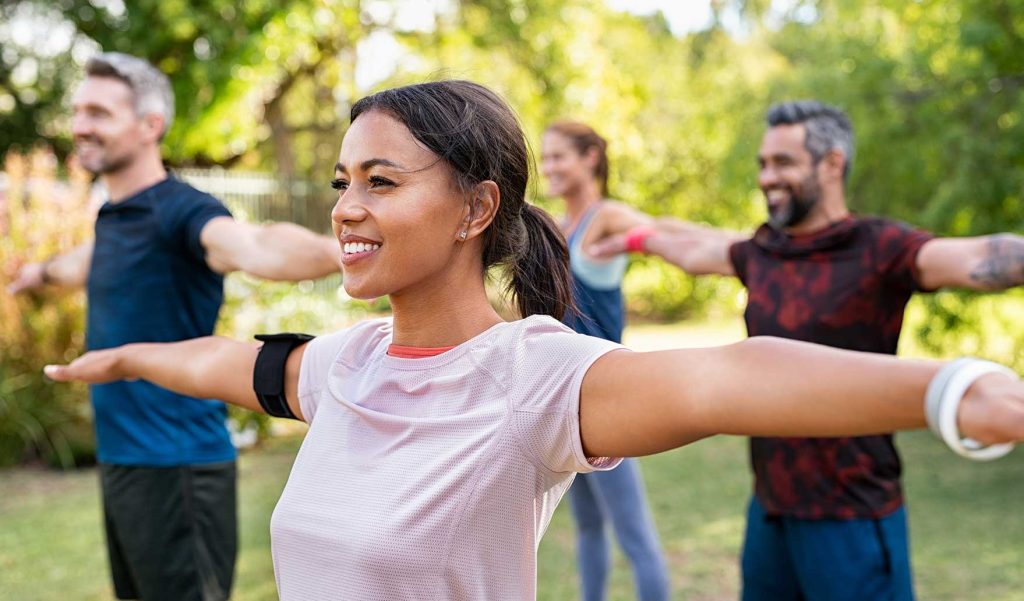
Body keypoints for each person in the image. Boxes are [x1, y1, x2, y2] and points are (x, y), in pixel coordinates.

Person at [43, 82, 1024, 601]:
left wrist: (953, 391)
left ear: (477, 207)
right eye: (343, 181)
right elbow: (235, 362)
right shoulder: (346, 365)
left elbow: (733, 373)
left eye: (380, 182)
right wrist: (129, 358)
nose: (347, 206)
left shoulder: (533, 376)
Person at [590, 100, 1024, 601]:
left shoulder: (879, 247)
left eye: (783, 163)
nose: (767, 177)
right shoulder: (762, 250)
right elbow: (693, 248)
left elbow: (976, 257)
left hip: (851, 516)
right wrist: (635, 238)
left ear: (832, 163)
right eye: (763, 164)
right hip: (771, 512)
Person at [7, 53, 342, 601]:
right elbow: (81, 264)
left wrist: (344, 253)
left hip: (179, 469)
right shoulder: (117, 217)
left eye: (99, 112)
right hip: (125, 465)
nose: (80, 125)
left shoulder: (183, 212)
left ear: (150, 125)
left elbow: (252, 246)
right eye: (78, 110)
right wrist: (35, 275)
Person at [540, 121, 669, 601]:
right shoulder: (556, 227)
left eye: (559, 157)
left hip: (607, 398)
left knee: (633, 534)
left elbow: (660, 232)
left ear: (590, 157)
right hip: (563, 400)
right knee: (589, 528)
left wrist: (632, 242)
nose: (549, 167)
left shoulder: (607, 216)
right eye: (546, 157)